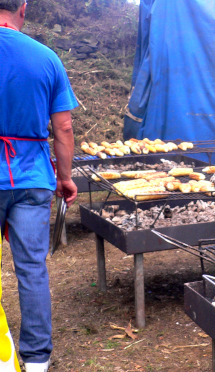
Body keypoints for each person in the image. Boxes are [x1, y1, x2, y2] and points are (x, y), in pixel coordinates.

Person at [0, 0, 78, 370]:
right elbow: (62, 127)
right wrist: (64, 177)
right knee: (31, 267)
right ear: (24, 9)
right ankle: (35, 361)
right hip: (32, 177)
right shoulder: (47, 58)